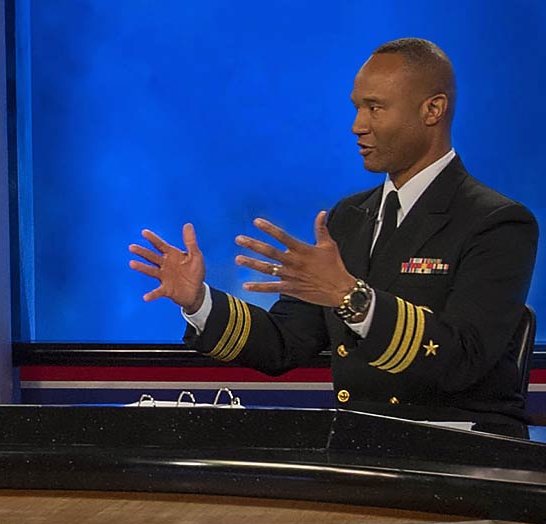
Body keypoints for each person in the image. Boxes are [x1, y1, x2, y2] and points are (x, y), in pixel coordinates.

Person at [129, 38, 537, 438]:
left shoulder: (497, 222)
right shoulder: (349, 218)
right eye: (357, 107)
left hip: (462, 450)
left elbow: (461, 358)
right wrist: (200, 301)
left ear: (433, 109)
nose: (358, 126)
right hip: (362, 449)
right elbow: (284, 343)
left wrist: (352, 297)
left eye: (375, 107)